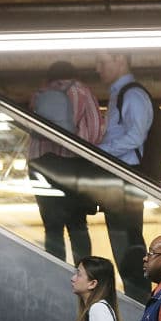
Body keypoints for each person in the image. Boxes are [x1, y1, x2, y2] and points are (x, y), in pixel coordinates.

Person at [29, 60, 103, 264]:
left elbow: (32, 130)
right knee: (78, 226)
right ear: (74, 74)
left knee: (52, 229)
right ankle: (86, 278)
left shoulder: (40, 93)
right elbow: (95, 132)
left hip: (40, 165)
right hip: (73, 166)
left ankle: (55, 276)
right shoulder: (82, 91)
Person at [95, 52, 153, 301]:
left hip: (126, 178)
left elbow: (136, 137)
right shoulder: (120, 94)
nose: (98, 69)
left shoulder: (133, 94)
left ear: (120, 59)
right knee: (123, 247)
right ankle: (137, 302)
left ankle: (140, 305)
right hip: (118, 179)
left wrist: (100, 152)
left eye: (102, 61)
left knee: (129, 246)